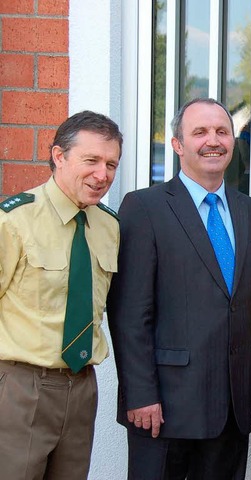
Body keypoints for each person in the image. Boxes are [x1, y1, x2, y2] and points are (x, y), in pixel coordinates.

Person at [107, 98, 251, 480]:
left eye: (221, 131)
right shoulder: (144, 208)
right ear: (178, 144)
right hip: (164, 408)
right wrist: (140, 393)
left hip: (233, 405)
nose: (212, 141)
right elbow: (129, 315)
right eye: (199, 132)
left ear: (233, 142)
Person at [0, 111, 123, 479]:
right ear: (59, 156)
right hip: (20, 386)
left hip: (82, 387)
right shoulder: (15, 220)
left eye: (111, 164)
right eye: (92, 160)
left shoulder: (109, 225)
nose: (103, 175)